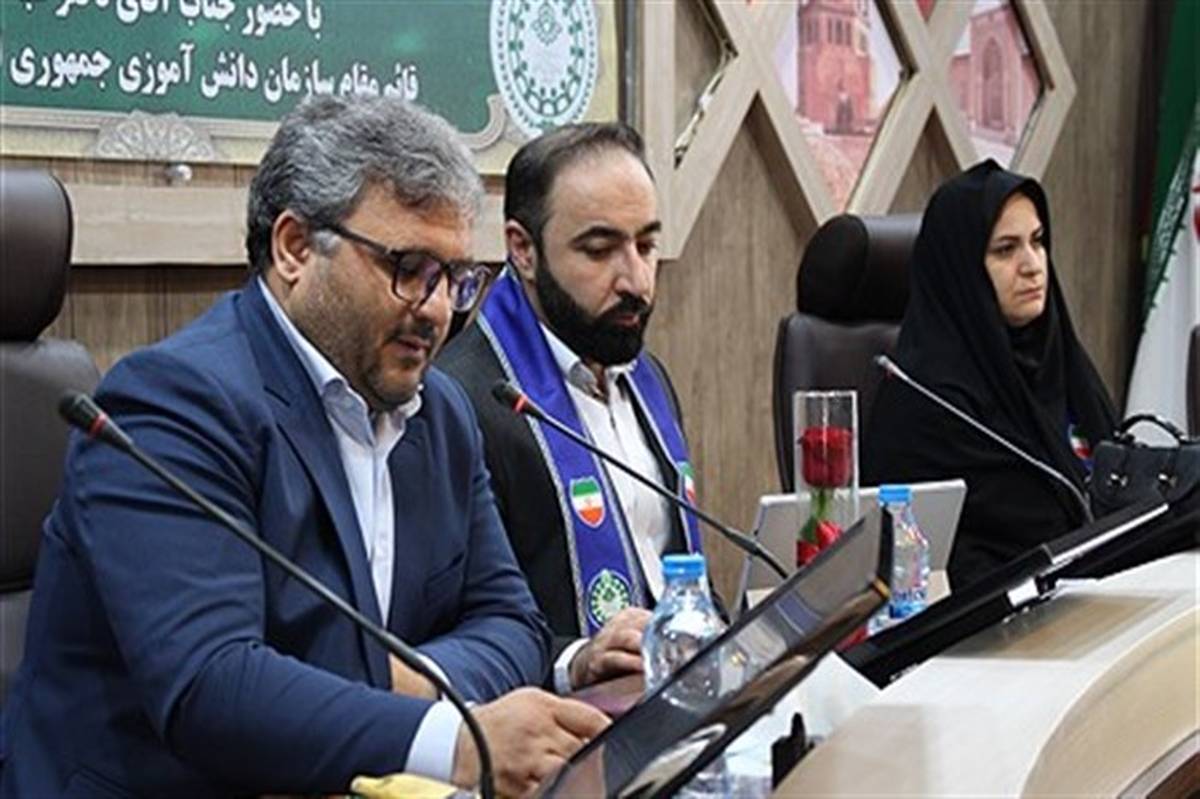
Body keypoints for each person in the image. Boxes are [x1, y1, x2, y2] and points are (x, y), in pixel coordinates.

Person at [1, 95, 608, 798]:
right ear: (294, 248)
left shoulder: (441, 412)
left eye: (455, 278)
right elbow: (211, 686)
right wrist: (453, 739)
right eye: (409, 267)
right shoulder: (172, 403)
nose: (439, 308)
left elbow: (513, 622)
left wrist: (404, 683)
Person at [438, 123, 708, 694]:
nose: (635, 280)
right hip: (557, 720)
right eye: (600, 250)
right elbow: (452, 630)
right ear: (523, 249)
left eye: (646, 246)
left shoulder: (646, 379)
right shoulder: (460, 400)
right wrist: (574, 659)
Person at [862, 160, 1117, 587]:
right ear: (963, 270)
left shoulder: (1059, 361)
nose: (1032, 265)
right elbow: (946, 565)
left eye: (1037, 241)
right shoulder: (925, 403)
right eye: (1005, 250)